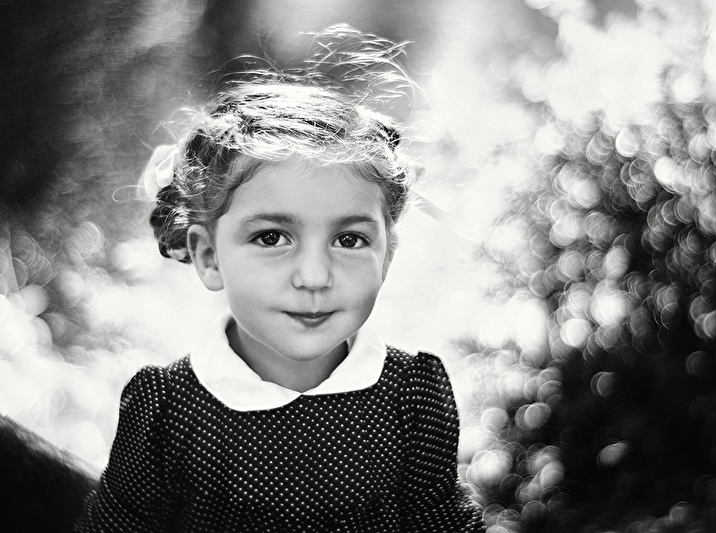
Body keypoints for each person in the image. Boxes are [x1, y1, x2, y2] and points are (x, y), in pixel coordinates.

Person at [74, 25, 485, 533]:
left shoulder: (410, 393)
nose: (314, 277)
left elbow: (440, 519)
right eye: (272, 238)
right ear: (209, 256)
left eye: (349, 240)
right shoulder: (166, 409)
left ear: (387, 255)